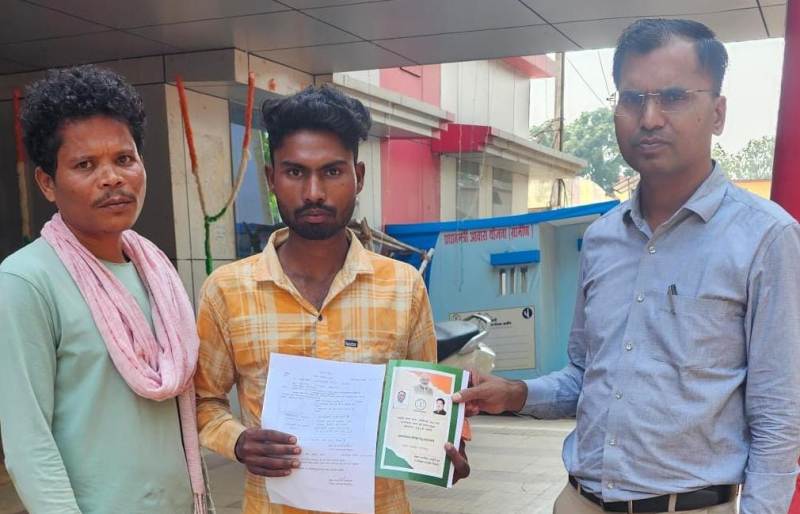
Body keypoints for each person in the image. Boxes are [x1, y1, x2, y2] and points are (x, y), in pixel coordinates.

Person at [453, 18, 800, 514]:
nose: (650, 118)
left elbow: (779, 418)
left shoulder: (766, 238)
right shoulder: (601, 239)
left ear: (718, 113)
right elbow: (586, 376)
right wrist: (514, 393)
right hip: (579, 501)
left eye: (674, 97)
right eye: (632, 98)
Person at [194, 85, 469, 513]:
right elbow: (203, 402)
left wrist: (445, 445)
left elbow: (427, 401)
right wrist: (239, 440)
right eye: (295, 172)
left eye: (332, 172)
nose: (314, 192)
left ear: (358, 176)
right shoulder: (227, 290)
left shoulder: (403, 287)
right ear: (271, 178)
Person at [0, 65, 206, 513]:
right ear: (47, 183)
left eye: (124, 159)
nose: (112, 178)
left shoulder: (157, 272)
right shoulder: (26, 281)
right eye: (85, 165)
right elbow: (28, 440)